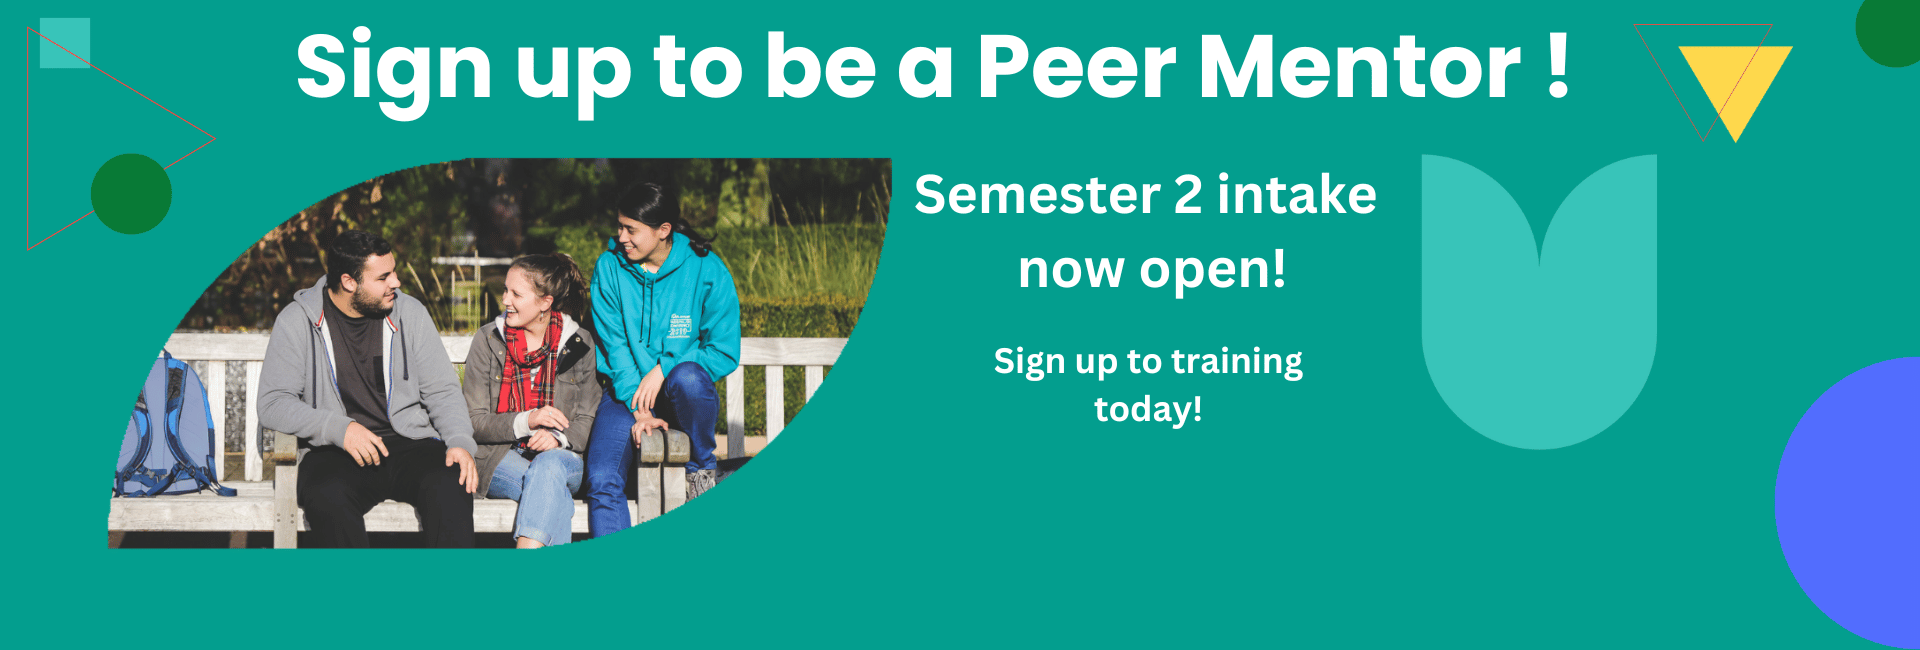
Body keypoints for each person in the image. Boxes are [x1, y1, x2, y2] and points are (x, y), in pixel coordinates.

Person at [257, 230, 478, 548]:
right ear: (349, 282)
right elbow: (273, 403)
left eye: (395, 272)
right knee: (326, 495)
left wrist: (458, 441)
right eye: (384, 276)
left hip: (408, 443)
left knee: (452, 482)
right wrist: (339, 429)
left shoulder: (409, 313)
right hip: (333, 451)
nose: (397, 282)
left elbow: (442, 391)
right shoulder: (296, 321)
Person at [585, 182, 741, 537]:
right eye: (620, 226)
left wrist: (664, 368)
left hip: (682, 398)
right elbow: (615, 347)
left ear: (663, 231)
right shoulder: (609, 267)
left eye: (631, 230)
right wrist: (640, 408)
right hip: (626, 397)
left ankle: (700, 471)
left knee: (686, 376)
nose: (621, 237)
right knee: (602, 477)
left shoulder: (706, 269)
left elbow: (724, 349)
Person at [461, 254, 599, 548]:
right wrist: (528, 420)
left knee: (549, 467)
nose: (505, 300)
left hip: (564, 460)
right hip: (498, 458)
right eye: (505, 290)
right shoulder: (487, 340)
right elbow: (472, 421)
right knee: (550, 490)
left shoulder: (581, 344)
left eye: (516, 294)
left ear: (545, 303)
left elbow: (586, 419)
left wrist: (558, 440)